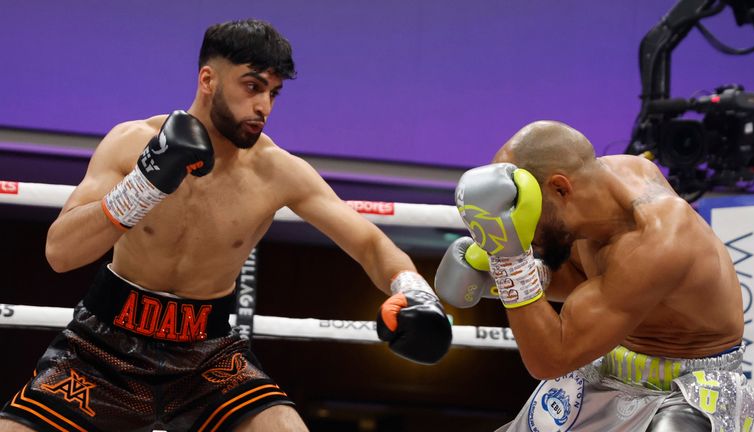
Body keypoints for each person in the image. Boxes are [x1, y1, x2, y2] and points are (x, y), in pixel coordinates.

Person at [0, 19, 452, 432]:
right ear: (208, 79)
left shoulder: (279, 172)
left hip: (207, 357)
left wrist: (415, 291)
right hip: (101, 350)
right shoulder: (132, 143)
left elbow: (370, 243)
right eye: (252, 86)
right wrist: (145, 184)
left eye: (273, 93)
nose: (263, 107)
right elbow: (59, 253)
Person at [435, 120, 754, 431]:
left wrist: (510, 264)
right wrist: (513, 275)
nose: (521, 226)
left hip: (684, 391)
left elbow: (551, 358)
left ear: (561, 188)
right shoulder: (595, 196)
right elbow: (590, 279)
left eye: (523, 208)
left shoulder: (660, 237)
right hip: (607, 366)